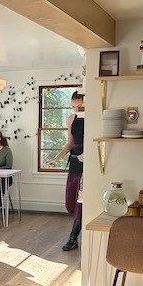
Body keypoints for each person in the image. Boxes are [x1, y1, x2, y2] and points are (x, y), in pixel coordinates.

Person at [46, 90, 84, 251]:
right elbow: (69, 143)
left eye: (80, 106)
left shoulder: (95, 117)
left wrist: (89, 154)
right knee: (71, 200)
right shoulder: (71, 119)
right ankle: (75, 236)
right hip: (75, 161)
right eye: (73, 106)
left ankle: (73, 237)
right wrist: (56, 158)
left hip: (90, 163)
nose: (76, 109)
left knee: (82, 201)